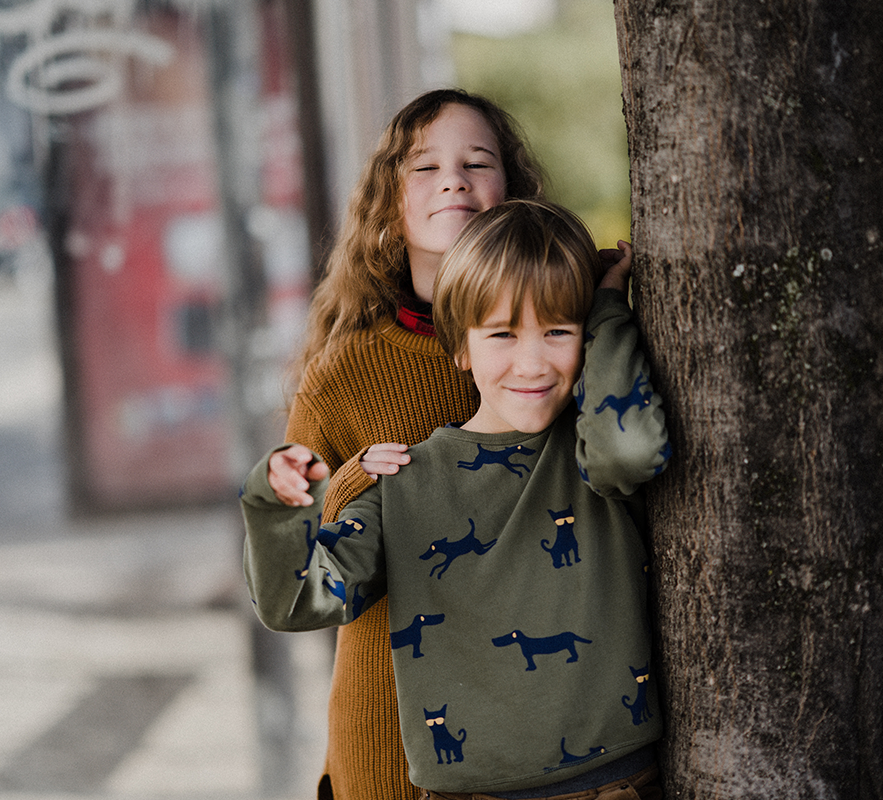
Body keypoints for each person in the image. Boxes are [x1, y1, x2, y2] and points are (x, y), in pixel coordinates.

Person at [244, 199, 671, 799]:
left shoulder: (589, 450)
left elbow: (633, 449)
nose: (532, 361)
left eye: (558, 330)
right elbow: (298, 602)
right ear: (461, 347)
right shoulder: (403, 482)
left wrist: (606, 309)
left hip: (615, 786)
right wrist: (275, 504)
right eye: (502, 333)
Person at [274, 89, 545, 800]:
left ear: (511, 193)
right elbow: (301, 572)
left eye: (477, 163)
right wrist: (355, 486)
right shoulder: (345, 371)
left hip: (537, 722)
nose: (453, 179)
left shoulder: (556, 348)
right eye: (424, 167)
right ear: (390, 206)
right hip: (389, 719)